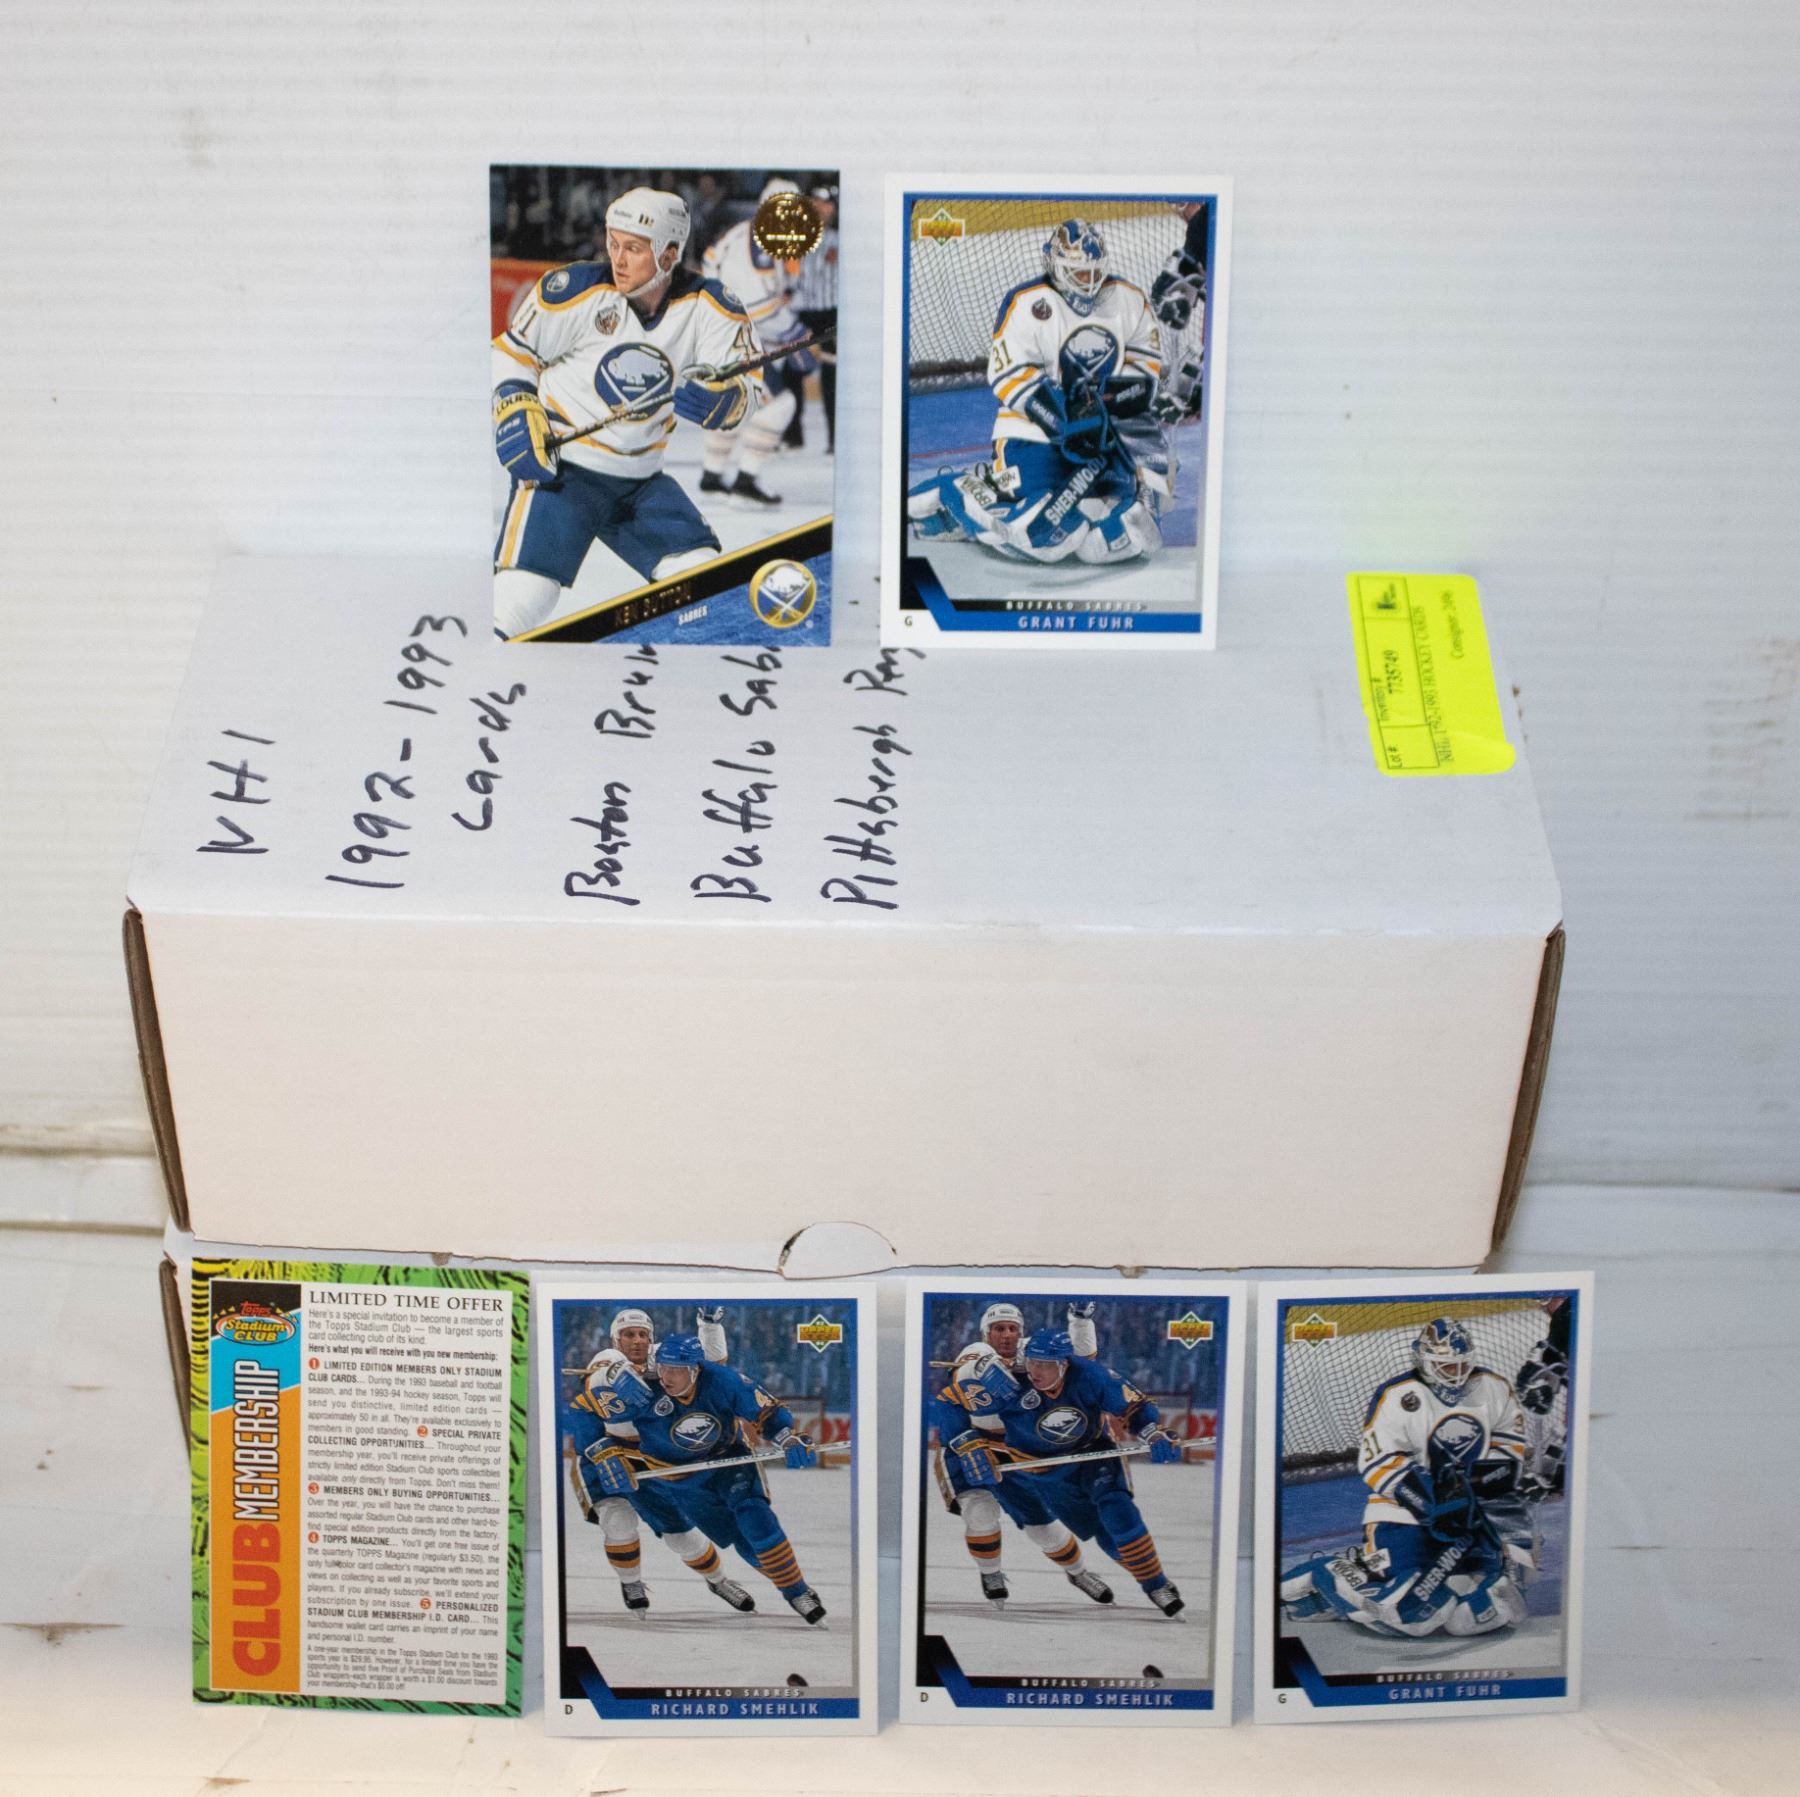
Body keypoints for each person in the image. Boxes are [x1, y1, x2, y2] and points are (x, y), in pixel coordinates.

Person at [490, 186, 762, 638]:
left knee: (705, 588)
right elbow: (512, 352)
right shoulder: (575, 291)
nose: (617, 259)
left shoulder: (710, 306)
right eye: (613, 243)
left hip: (641, 482)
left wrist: (727, 399)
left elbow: (748, 385)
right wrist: (515, 402)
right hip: (563, 474)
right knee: (521, 599)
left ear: (669, 254)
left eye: (633, 249)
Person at [907, 218, 1170, 568]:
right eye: (1078, 273)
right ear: (1055, 265)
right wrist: (1063, 418)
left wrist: (1102, 407)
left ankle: (1125, 498)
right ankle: (960, 488)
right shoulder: (1026, 302)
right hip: (1032, 431)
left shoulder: (1129, 299)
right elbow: (1008, 374)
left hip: (1101, 435)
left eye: (1094, 273)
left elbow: (1146, 368)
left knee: (1107, 528)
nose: (1088, 282)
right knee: (1048, 536)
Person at [1279, 1317, 1536, 1639]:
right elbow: (1378, 1461)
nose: (1456, 1374)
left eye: (1461, 1365)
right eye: (1446, 1366)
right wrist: (1432, 1501)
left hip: (1470, 1514)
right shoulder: (1397, 1395)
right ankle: (1332, 1573)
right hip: (1403, 1512)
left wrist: (1473, 1489)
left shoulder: (1493, 1387)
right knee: (1416, 1619)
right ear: (1423, 1360)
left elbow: (1509, 1447)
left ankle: (1372, 1576)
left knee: (1473, 1616)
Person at [577, 1335, 828, 1624]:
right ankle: (788, 1583)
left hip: (727, 1460)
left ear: (695, 1369)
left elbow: (764, 1410)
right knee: (741, 1542)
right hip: (680, 1479)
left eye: (676, 1370)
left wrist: (786, 1436)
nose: (666, 1377)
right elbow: (583, 1408)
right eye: (663, 1368)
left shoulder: (721, 1380)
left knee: (753, 1514)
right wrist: (601, 1448)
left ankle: (797, 1592)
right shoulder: (642, 1389)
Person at [947, 1327, 1185, 1616]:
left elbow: (1132, 1406)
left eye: (1045, 1364)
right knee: (1103, 1535)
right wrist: (967, 1434)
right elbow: (948, 1400)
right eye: (1032, 1362)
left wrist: (1152, 1432)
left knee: (1116, 1507)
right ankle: (1149, 1575)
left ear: (1064, 1364)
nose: (1035, 1371)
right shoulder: (1006, 1381)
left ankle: (1156, 1585)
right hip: (1045, 1471)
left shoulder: (1090, 1375)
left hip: (1091, 1454)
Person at [932, 1304, 1114, 1608]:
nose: (1006, 1335)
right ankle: (990, 1573)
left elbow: (1081, 1360)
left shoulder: (1033, 1352)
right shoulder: (975, 1351)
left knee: (1043, 1527)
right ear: (986, 1333)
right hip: (967, 1444)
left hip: (1013, 1451)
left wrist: (1081, 1322)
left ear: (1021, 1332)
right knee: (980, 1511)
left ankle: (1078, 1573)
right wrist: (984, 1366)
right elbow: (965, 1370)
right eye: (998, 1329)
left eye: (1012, 1328)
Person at [697, 177, 819, 506]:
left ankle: (712, 477)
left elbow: (709, 261)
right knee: (782, 405)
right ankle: (745, 483)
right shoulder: (759, 245)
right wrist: (797, 334)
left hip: (722, 335)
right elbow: (759, 308)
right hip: (734, 339)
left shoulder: (742, 232)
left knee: (736, 405)